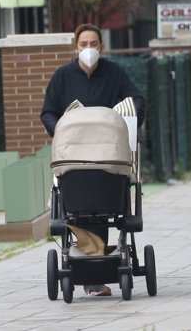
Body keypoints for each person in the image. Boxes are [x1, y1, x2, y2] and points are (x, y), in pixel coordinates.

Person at [40, 23, 146, 296]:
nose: (88, 49)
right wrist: (61, 133)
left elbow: (136, 102)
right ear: (75, 47)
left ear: (102, 47)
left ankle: (98, 272)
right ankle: (90, 274)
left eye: (93, 44)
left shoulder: (114, 74)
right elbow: (48, 112)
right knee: (79, 206)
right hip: (73, 157)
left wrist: (126, 126)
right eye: (83, 44)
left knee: (103, 201)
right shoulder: (63, 77)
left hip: (106, 157)